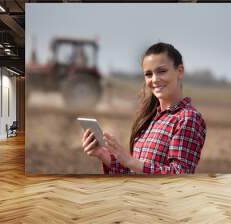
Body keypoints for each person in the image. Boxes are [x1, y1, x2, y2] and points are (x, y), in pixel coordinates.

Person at [81, 42, 206, 174]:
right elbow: (135, 174)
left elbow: (180, 175)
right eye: (148, 74)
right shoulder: (150, 117)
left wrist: (130, 161)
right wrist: (103, 155)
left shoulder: (188, 118)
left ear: (180, 71)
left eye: (162, 71)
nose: (155, 79)